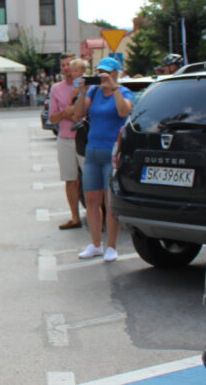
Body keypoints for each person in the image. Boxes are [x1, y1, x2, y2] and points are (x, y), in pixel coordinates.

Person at [72, 56, 134, 262]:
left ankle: (111, 246)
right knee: (91, 199)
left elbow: (124, 111)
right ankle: (95, 243)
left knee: (110, 202)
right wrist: (82, 93)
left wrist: (114, 88)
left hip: (112, 152)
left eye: (107, 72)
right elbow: (78, 114)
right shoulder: (94, 91)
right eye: (100, 72)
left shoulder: (123, 92)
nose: (102, 75)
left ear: (116, 73)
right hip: (92, 150)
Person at [48, 54, 86, 230]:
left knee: (91, 179)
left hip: (85, 137)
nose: (66, 68)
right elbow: (53, 117)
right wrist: (66, 112)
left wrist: (74, 112)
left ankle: (98, 214)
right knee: (70, 179)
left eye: (69, 65)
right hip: (65, 138)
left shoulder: (87, 86)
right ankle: (75, 217)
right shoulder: (56, 89)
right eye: (63, 65)